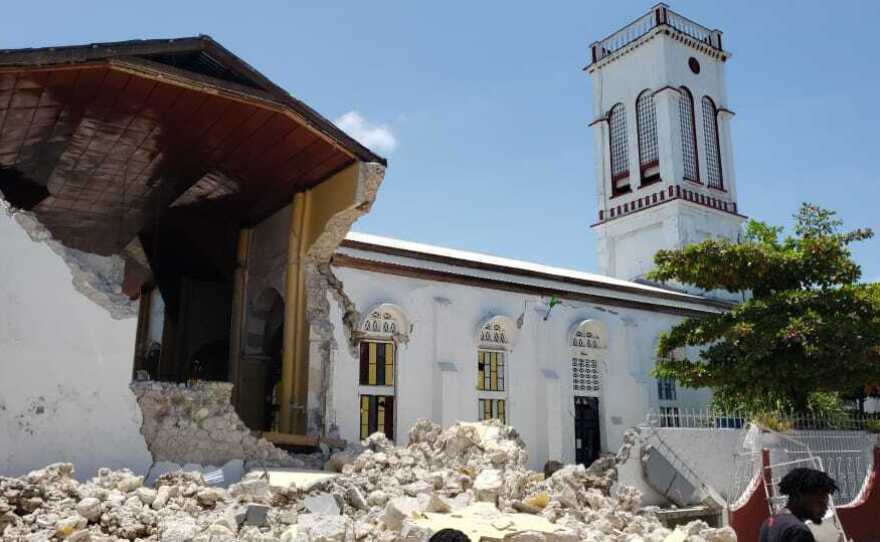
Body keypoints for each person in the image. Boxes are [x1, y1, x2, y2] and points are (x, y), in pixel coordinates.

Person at [759, 467, 839, 542]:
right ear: (799, 496)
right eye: (820, 502)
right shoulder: (798, 531)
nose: (825, 508)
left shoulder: (769, 523)